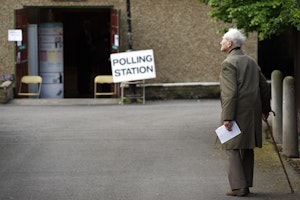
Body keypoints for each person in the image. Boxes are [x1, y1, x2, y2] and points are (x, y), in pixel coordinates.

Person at [218, 28, 271, 196]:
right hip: (252, 112)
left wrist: (227, 117)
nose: (220, 42)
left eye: (223, 40)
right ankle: (246, 185)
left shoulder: (228, 63)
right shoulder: (251, 61)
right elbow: (264, 86)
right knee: (247, 147)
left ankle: (239, 187)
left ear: (230, 43)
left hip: (237, 112)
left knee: (231, 147)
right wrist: (265, 109)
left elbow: (230, 93)